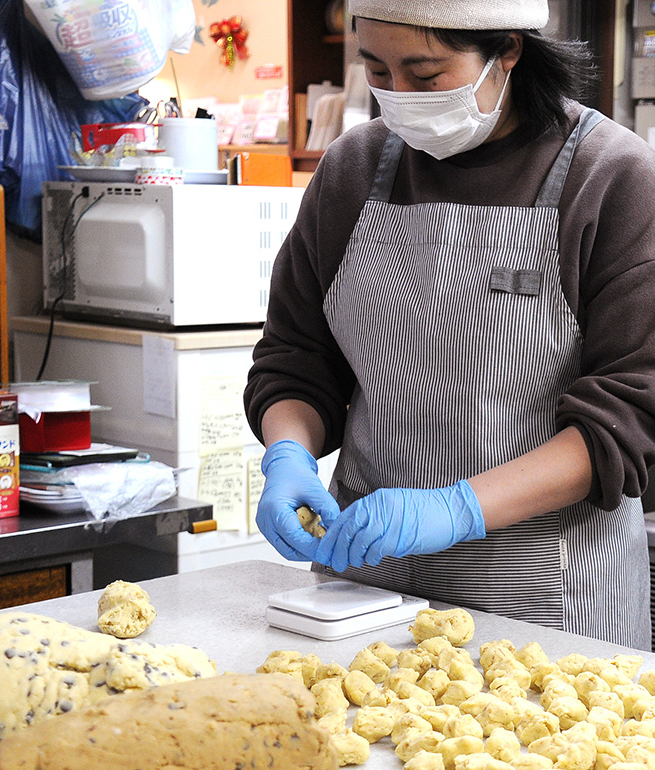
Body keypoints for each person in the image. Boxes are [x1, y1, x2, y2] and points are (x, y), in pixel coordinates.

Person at [244, 0, 655, 650]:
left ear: (509, 51)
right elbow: (296, 358)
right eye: (376, 69)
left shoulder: (610, 178)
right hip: (367, 586)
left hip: (546, 597)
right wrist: (288, 455)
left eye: (426, 74)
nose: (398, 96)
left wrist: (455, 508)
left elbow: (628, 417)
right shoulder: (352, 172)